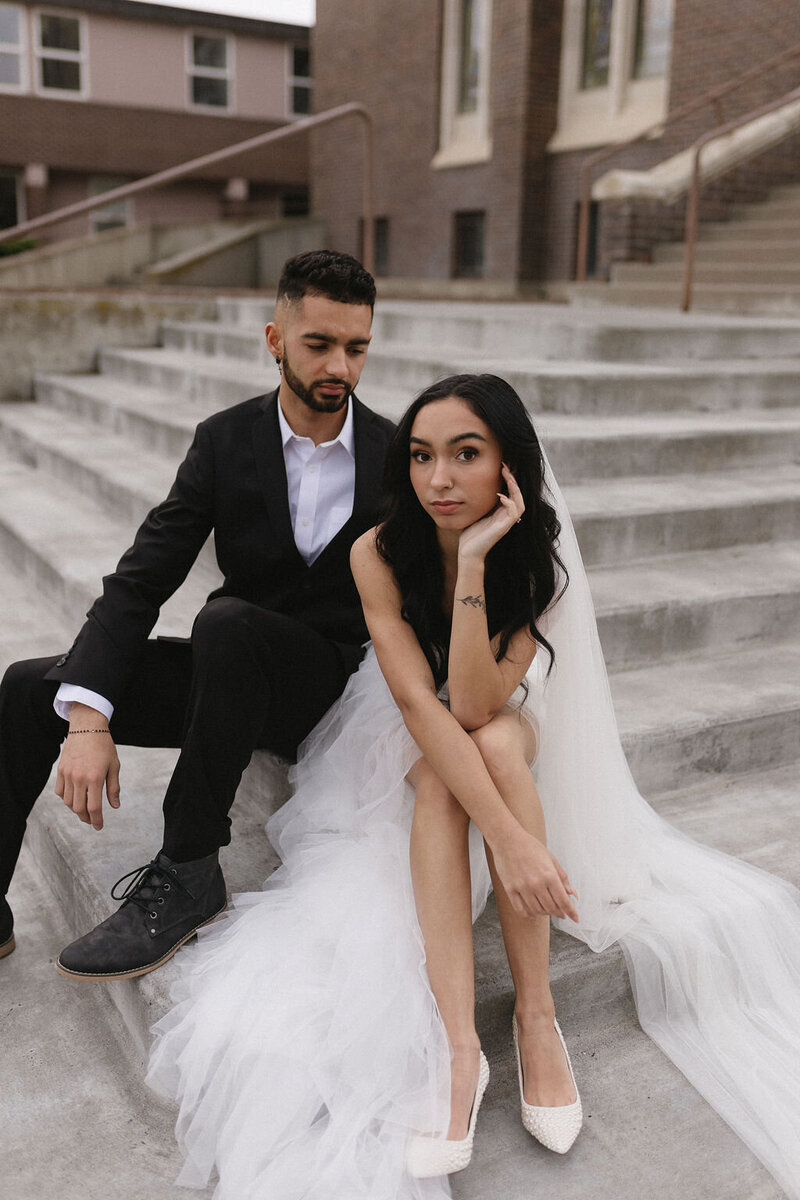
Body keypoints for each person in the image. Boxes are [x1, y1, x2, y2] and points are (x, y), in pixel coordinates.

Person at [147, 374, 800, 1199]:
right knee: (449, 775)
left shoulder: (539, 562)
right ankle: (462, 1048)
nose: (438, 480)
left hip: (503, 708)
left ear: (509, 467)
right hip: (399, 720)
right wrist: (520, 843)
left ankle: (536, 1019)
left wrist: (481, 562)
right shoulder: (377, 551)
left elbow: (483, 698)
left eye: (466, 454)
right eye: (421, 456)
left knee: (494, 739)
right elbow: (427, 710)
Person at [0, 249, 395, 979]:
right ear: (275, 341)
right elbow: (141, 578)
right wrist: (88, 716)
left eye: (356, 347)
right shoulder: (225, 440)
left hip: (327, 690)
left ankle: (188, 868)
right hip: (229, 674)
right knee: (28, 688)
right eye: (319, 344)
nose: (339, 365)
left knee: (227, 622)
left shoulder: (396, 455)